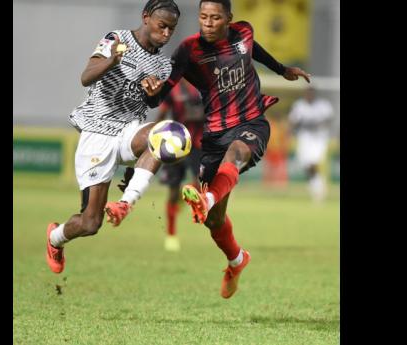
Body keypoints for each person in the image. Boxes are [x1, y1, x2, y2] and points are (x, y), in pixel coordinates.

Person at [140, 0, 311, 298]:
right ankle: (236, 260)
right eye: (203, 17)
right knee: (214, 220)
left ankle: (206, 197)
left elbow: (252, 48)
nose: (207, 22)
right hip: (214, 134)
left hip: (251, 122)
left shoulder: (243, 32)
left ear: (229, 19)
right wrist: (152, 93)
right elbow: (160, 97)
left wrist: (282, 70)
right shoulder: (188, 50)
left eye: (215, 17)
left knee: (237, 153)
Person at [45, 0, 180, 274]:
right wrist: (112, 60)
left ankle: (126, 202)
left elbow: (151, 104)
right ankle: (55, 238)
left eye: (171, 30)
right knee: (90, 223)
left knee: (166, 133)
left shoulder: (164, 65)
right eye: (162, 26)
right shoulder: (116, 39)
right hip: (97, 132)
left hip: (128, 130)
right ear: (146, 17)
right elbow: (86, 77)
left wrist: (152, 93)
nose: (166, 34)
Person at [155, 78, 205, 252]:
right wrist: (153, 132)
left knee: (200, 185)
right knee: (173, 190)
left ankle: (186, 197)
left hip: (199, 143)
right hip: (175, 142)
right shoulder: (173, 88)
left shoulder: (206, 83)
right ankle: (171, 234)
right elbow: (163, 112)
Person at [288, 86, 333, 202]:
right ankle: (316, 186)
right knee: (306, 165)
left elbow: (329, 119)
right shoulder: (299, 106)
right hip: (305, 138)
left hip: (318, 138)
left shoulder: (323, 105)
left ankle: (318, 189)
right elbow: (293, 122)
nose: (309, 96)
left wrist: (318, 124)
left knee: (314, 163)